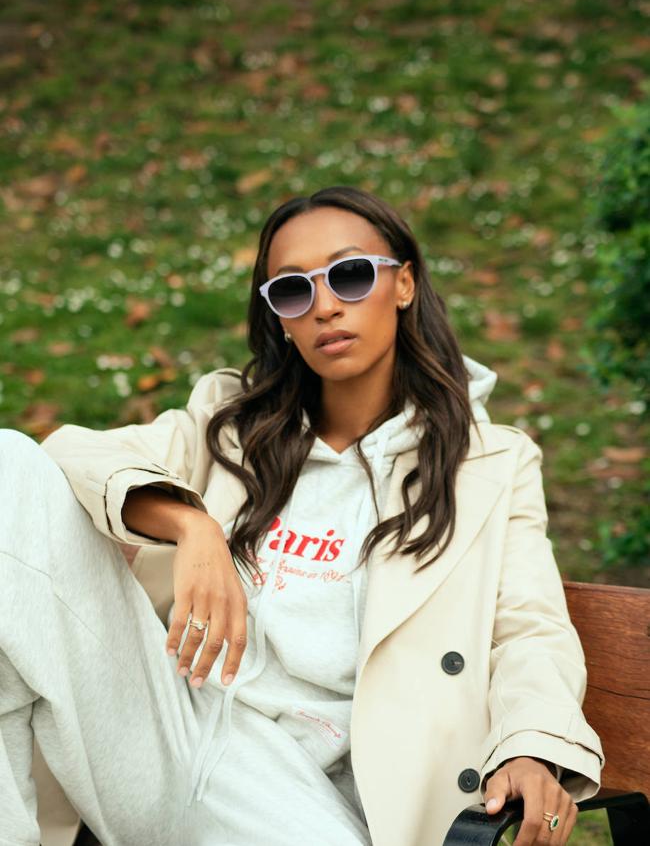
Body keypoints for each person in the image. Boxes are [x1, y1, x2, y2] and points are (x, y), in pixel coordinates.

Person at [0, 185, 604, 846]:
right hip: (175, 731)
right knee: (9, 462)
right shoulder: (231, 426)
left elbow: (528, 629)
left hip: (313, 801)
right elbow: (64, 454)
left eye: (348, 276)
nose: (323, 308)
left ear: (402, 284)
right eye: (293, 290)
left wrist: (531, 746)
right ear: (279, 318)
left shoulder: (490, 464)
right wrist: (190, 524)